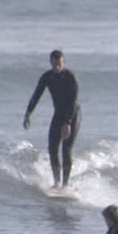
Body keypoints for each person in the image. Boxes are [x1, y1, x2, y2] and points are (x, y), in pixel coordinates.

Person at [23, 49, 81, 189]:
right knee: (52, 148)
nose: (56, 67)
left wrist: (67, 123)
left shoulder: (70, 77)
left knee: (66, 150)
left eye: (59, 64)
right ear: (50, 62)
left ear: (63, 62)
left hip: (72, 115)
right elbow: (36, 95)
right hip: (58, 114)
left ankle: (65, 184)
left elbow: (73, 102)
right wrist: (28, 114)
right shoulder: (47, 77)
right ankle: (56, 183)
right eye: (54, 64)